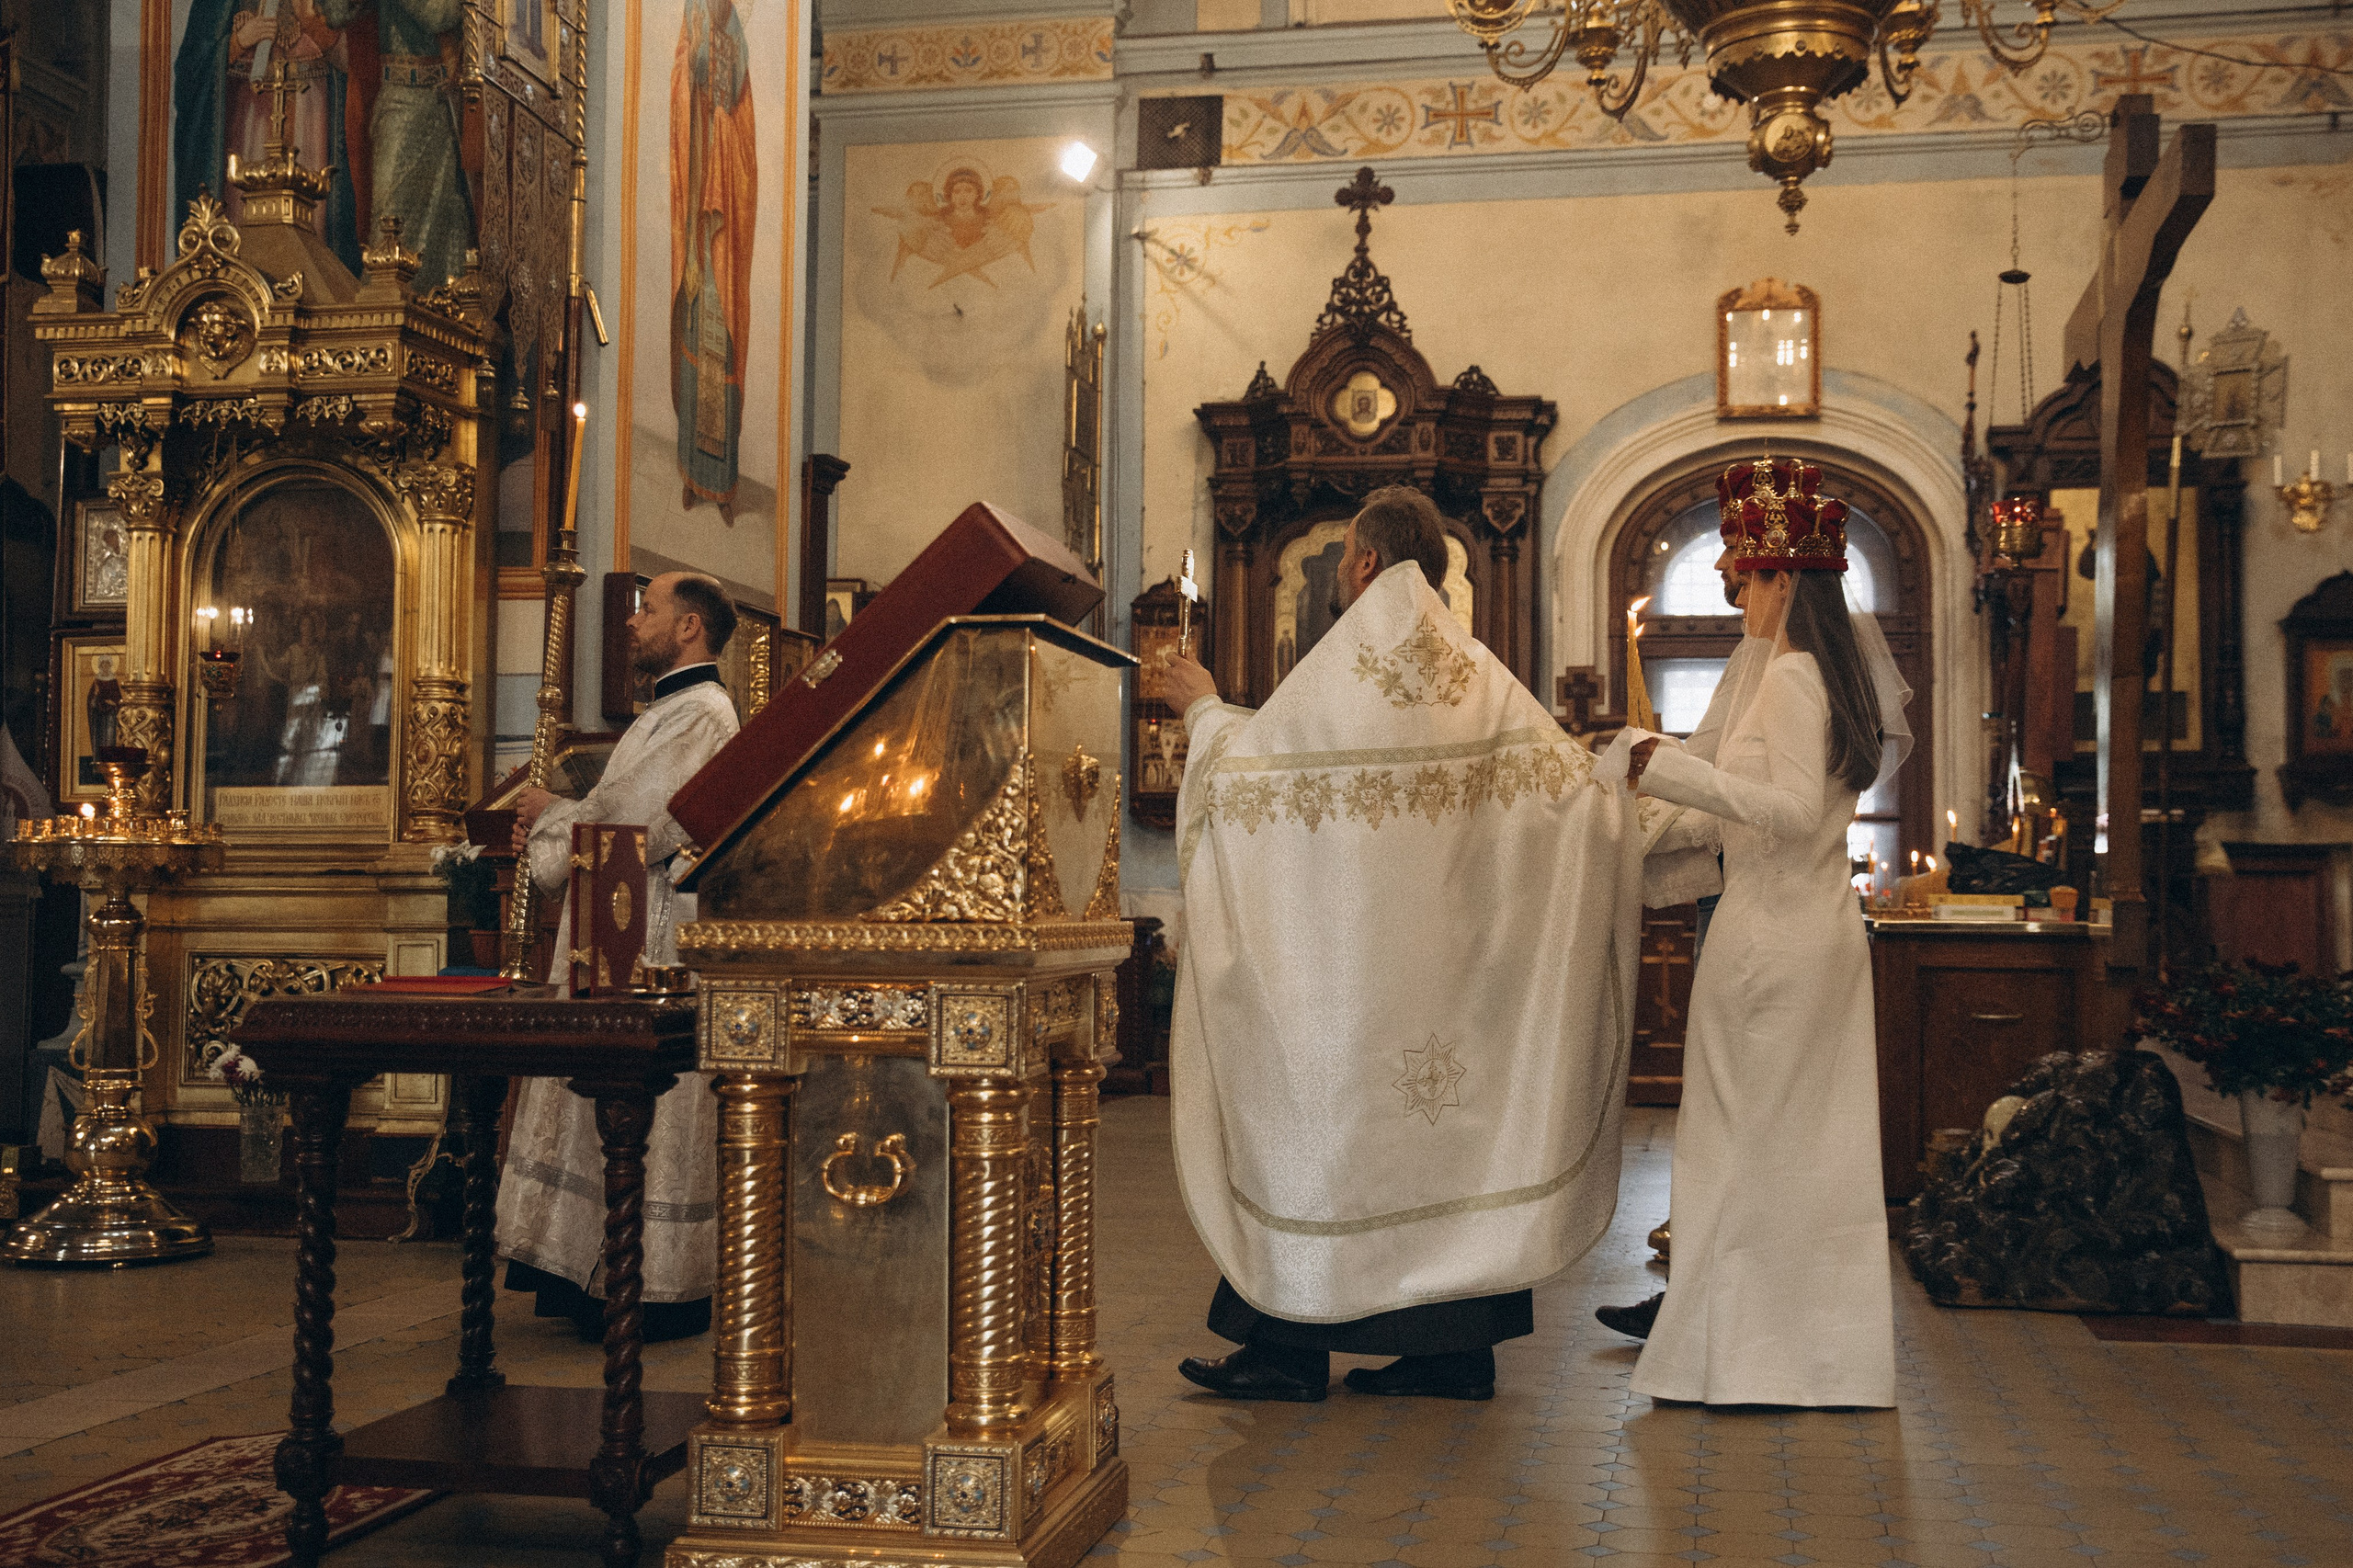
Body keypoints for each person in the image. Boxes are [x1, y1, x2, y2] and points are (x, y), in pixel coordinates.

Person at [1160, 486, 1662, 1403]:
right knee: (1450, 1150)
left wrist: (1200, 708)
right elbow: (1573, 803)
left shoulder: (1339, 668)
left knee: (1311, 1134)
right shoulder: (1479, 678)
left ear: (1359, 562)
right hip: (1451, 987)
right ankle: (1451, 1350)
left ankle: (1285, 1351)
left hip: (1341, 984)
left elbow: (1246, 780)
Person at [1597, 457, 1912, 1408]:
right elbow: (1780, 813)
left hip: (1767, 939)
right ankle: (1802, 1356)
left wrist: (1660, 765)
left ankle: (1737, 1357)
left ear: (1785, 580)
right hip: (1814, 930)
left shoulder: (1789, 678)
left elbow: (1773, 808)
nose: (1739, 601)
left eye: (1745, 583)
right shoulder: (1833, 678)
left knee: (1737, 1142)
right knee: (1800, 1150)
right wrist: (1667, 806)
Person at [494, 571, 742, 1342]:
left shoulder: (703, 715)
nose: (633, 622)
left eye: (650, 608)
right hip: (616, 926)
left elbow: (640, 817)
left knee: (643, 1103)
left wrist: (550, 815)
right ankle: (590, 1271)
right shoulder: (670, 708)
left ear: (691, 626)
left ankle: (653, 1285)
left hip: (654, 935)